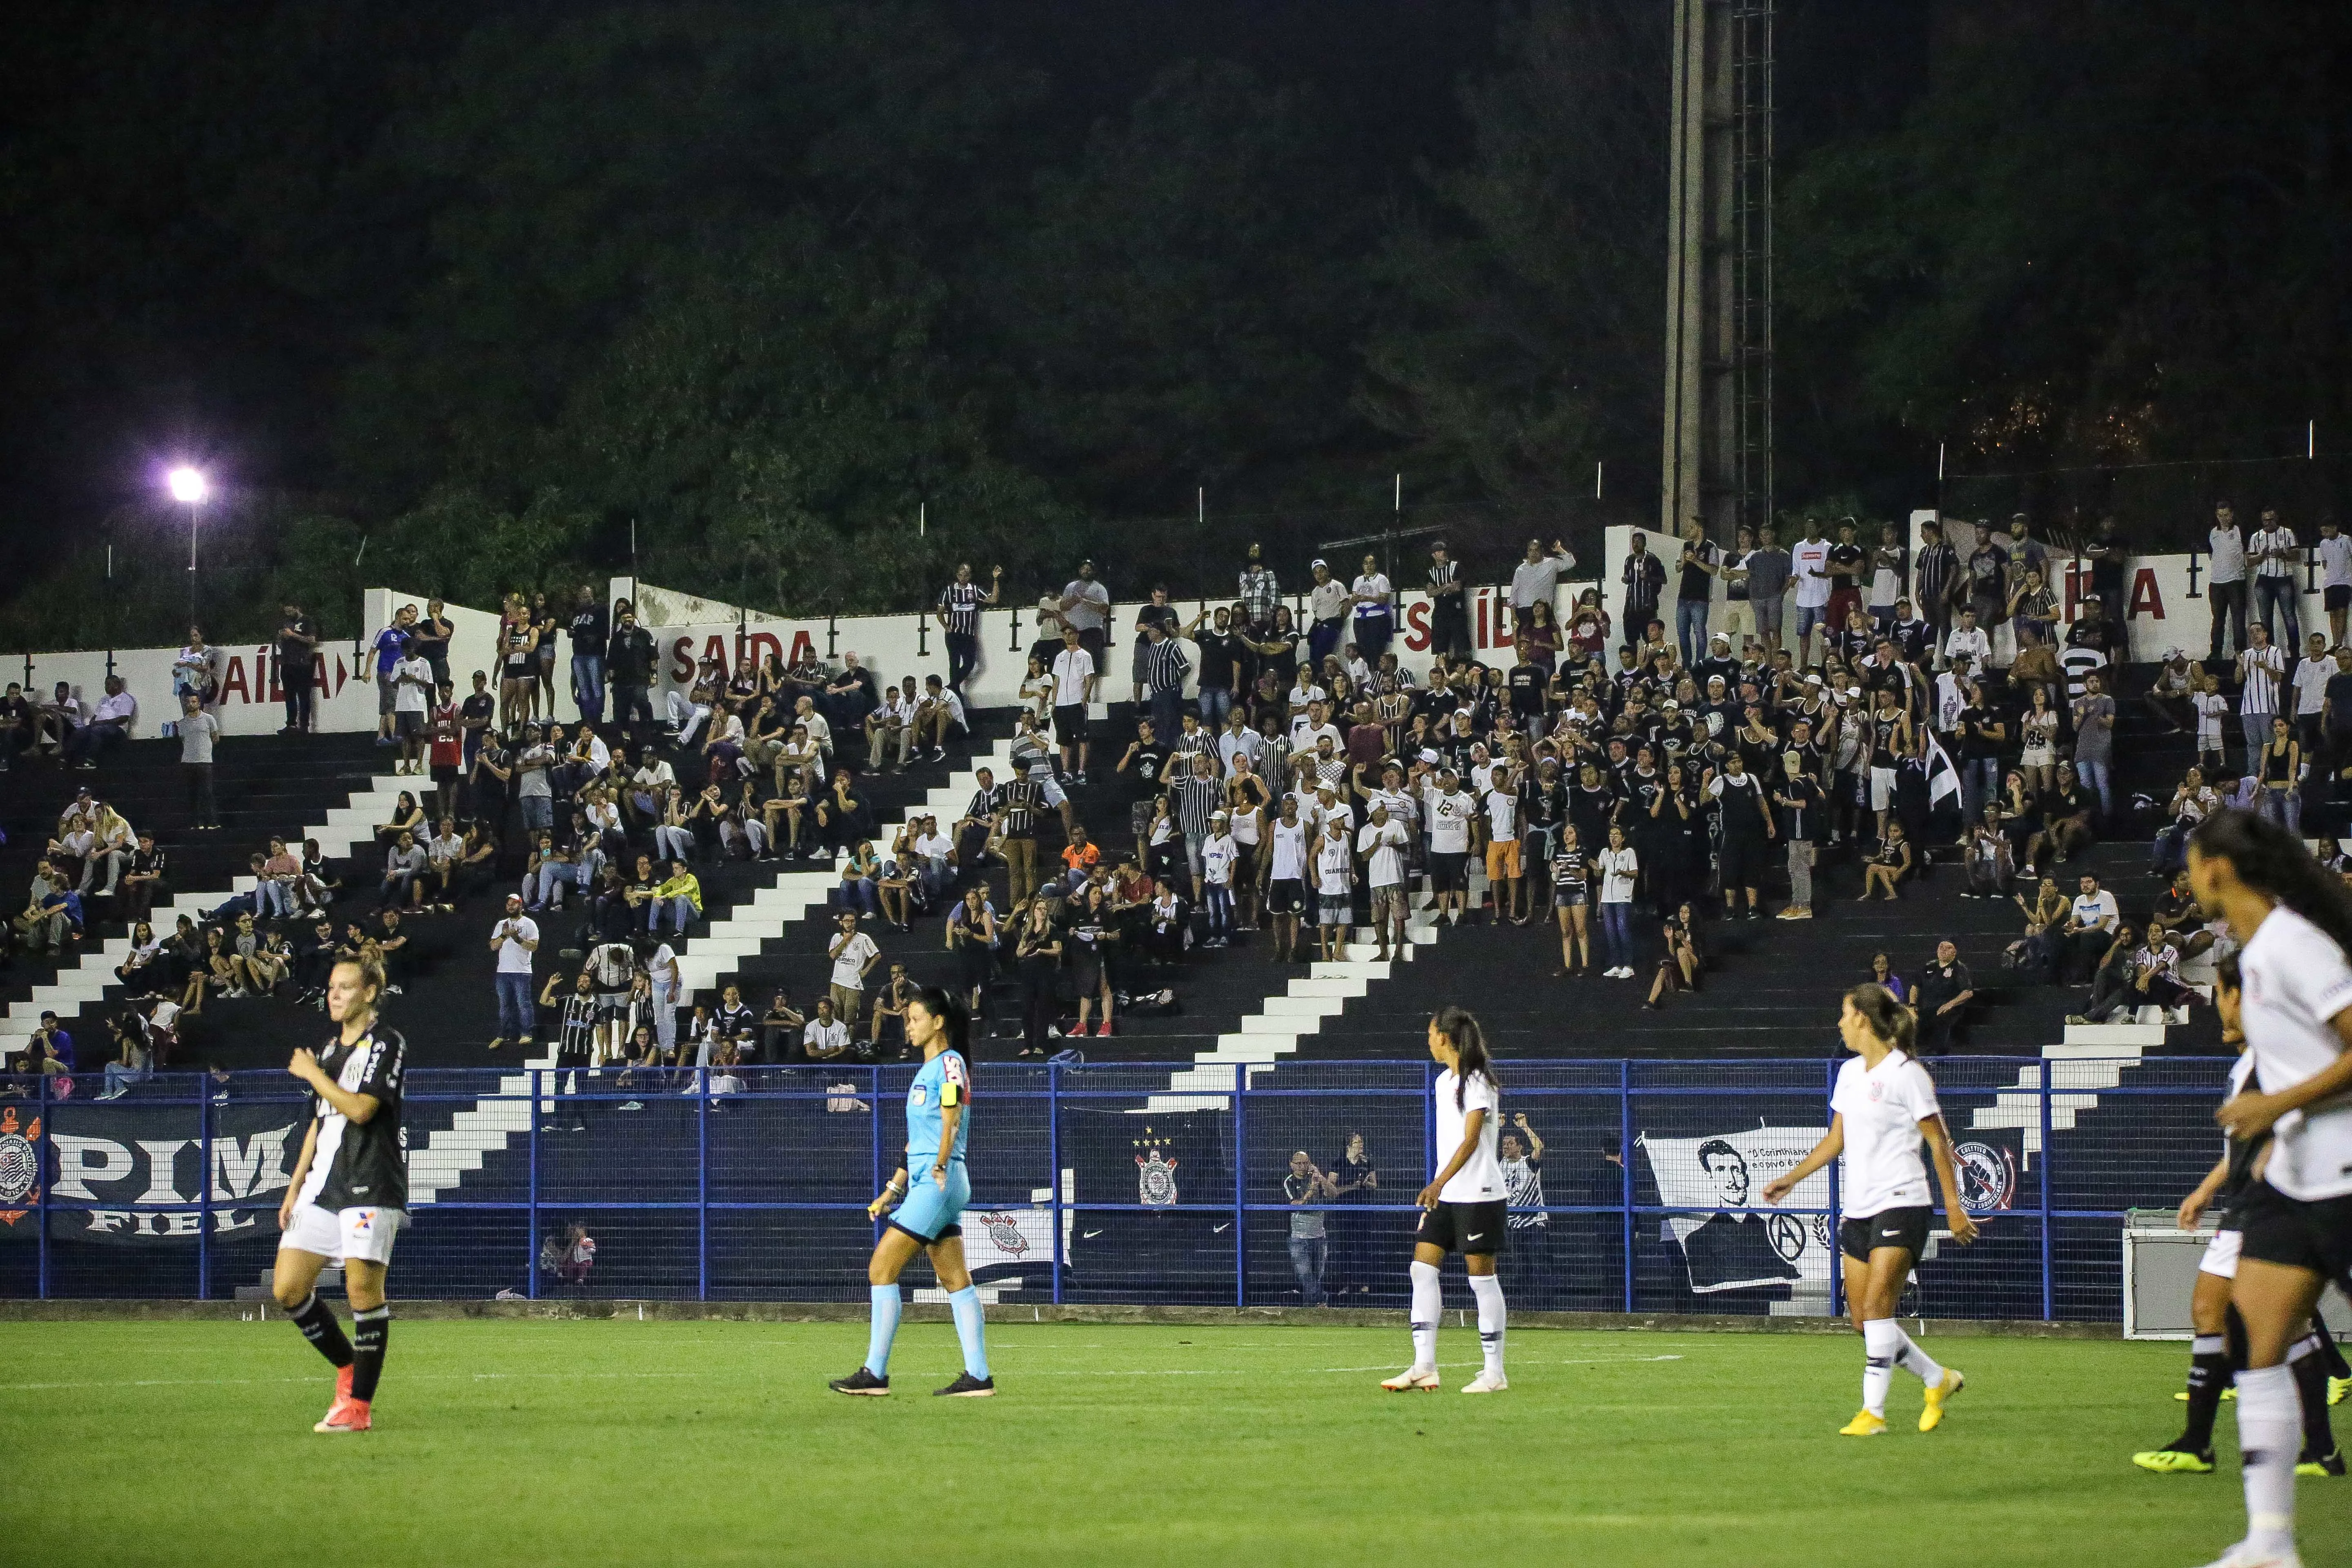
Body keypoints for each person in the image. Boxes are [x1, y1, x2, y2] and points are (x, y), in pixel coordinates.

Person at [2183, 811, 2352, 1564]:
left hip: (2346, 1176)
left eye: (2191, 863)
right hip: (2295, 1178)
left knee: (2260, 1342)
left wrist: (2275, 1105)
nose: (2187, 877)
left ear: (2218, 869)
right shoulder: (2255, 952)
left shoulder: (2290, 944)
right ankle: (2269, 1542)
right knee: (2255, 1342)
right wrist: (2275, 1131)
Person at [2134, 958, 2347, 1481]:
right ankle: (2318, 1448)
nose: (2218, 1008)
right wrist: (2207, 1189)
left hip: (2268, 1205)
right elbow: (2247, 1139)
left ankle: (2198, 1444)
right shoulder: (2251, 1062)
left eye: (2223, 995)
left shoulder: (2275, 1060)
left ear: (2242, 996)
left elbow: (2290, 1119)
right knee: (2276, 1321)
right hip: (2254, 1203)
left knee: (2213, 1308)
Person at [1764, 984, 1978, 1436]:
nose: (1839, 1022)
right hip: (1858, 1210)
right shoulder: (1848, 1075)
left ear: (1863, 1018)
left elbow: (1939, 1141)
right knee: (1862, 1320)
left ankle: (1873, 1413)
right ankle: (1937, 1379)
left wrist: (1954, 1207)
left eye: (1844, 1014)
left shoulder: (1908, 1074)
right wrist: (1792, 1178)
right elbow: (1835, 1140)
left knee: (1880, 1307)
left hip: (1903, 1202)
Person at [831, 988, 995, 1397]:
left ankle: (875, 1374)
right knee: (954, 1277)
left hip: (940, 1182)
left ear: (939, 1022)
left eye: (915, 1018)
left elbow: (951, 1115)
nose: (909, 1025)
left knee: (881, 1268)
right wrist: (891, 1190)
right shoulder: (926, 1070)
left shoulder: (950, 1062)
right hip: (929, 1181)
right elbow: (913, 1145)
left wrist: (939, 1164)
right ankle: (978, 1377)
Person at [268, 954, 407, 1434]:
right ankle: (350, 1369)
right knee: (288, 1287)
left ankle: (359, 1409)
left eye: (346, 987)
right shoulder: (327, 1051)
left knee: (362, 1291)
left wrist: (311, 1075)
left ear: (369, 993)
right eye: (332, 987)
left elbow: (363, 1110)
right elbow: (319, 1122)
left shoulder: (387, 1044)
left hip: (371, 1181)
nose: (335, 995)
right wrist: (293, 1188)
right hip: (323, 1188)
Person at [1381, 1007, 1509, 1394]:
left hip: (1479, 1194)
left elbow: (1471, 1140)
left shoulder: (1477, 1082)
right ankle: (1424, 1366)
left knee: (1481, 1280)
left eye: (1431, 1033)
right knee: (1422, 1269)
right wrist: (1440, 1187)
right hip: (1448, 1194)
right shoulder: (1442, 1082)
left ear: (1446, 1038)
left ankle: (1494, 1373)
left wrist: (1438, 1182)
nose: (1428, 1040)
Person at [487, 894, 538, 1051]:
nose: (510, 907)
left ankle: (526, 1034)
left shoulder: (529, 924)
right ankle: (503, 1034)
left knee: (523, 1004)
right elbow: (493, 947)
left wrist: (518, 940)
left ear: (521, 906)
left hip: (522, 971)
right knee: (505, 1005)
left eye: (514, 904)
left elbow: (534, 947)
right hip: (503, 972)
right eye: (508, 904)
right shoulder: (501, 924)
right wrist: (504, 935)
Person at [1284, 1151, 1332, 1307]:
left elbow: (1333, 1193)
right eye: (1299, 1164)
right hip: (1299, 1237)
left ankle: (1310, 1309)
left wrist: (1320, 1178)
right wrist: (1311, 1190)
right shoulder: (1289, 1182)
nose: (1303, 1167)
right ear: (1292, 1165)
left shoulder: (1315, 1179)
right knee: (1306, 1276)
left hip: (1319, 1235)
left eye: (1306, 1163)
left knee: (1317, 1276)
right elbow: (1296, 1205)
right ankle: (1320, 1303)